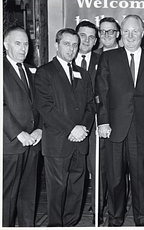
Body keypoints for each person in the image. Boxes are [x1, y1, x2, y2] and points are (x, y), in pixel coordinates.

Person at [95, 14, 144, 226]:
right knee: (114, 180)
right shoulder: (109, 58)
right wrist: (103, 121)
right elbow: (101, 92)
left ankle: (142, 221)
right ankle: (115, 219)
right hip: (114, 128)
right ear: (121, 34)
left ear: (142, 34)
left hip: (142, 130)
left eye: (135, 31)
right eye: (126, 31)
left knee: (141, 180)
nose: (131, 35)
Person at [34, 28, 95, 227]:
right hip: (58, 142)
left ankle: (70, 224)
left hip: (80, 141)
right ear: (56, 45)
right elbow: (46, 108)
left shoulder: (82, 74)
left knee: (76, 190)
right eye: (67, 44)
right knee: (57, 191)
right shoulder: (45, 72)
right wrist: (72, 129)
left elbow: (90, 105)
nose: (71, 49)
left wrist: (82, 129)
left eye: (75, 45)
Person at [3, 25, 42, 227]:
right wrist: (19, 133)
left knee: (28, 195)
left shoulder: (30, 70)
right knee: (7, 198)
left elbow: (39, 104)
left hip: (32, 142)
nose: (23, 48)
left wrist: (39, 129)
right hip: (10, 145)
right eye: (18, 43)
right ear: (5, 44)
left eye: (26, 44)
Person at [74, 20, 103, 225]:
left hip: (94, 123)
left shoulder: (102, 60)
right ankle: (70, 212)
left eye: (92, 37)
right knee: (73, 170)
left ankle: (97, 211)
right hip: (68, 126)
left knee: (97, 168)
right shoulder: (63, 59)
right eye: (83, 35)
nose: (87, 40)